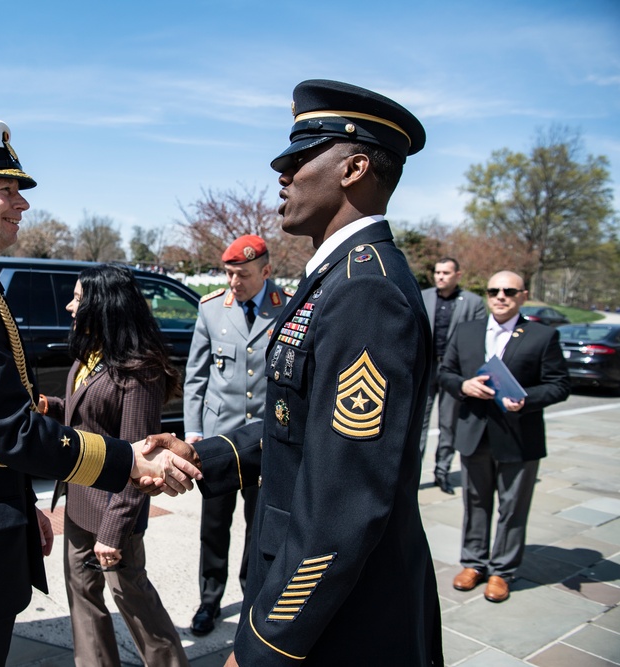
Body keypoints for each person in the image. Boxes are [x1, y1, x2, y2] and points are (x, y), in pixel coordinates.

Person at [0, 120, 200, 667]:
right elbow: (9, 432)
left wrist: (26, 509)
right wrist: (126, 459)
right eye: (5, 190)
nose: (21, 204)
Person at [144, 79, 444, 665]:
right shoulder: (334, 278)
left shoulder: (366, 292)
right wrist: (202, 453)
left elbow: (344, 502)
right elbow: (298, 423)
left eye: (300, 159)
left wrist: (264, 644)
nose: (283, 175)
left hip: (335, 622)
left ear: (354, 168)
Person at [42, 264, 189, 667]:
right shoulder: (91, 354)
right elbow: (85, 418)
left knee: (133, 600)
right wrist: (51, 407)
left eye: (78, 298)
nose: (71, 306)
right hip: (78, 501)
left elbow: (139, 461)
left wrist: (113, 531)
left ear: (104, 305)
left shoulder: (140, 370)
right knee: (82, 597)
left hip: (114, 514)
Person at [439, 271, 569, 603]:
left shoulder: (542, 336)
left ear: (523, 295)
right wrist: (463, 386)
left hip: (518, 436)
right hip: (474, 432)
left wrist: (527, 400)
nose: (500, 296)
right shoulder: (467, 331)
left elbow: (559, 385)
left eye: (509, 290)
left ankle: (502, 572)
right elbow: (446, 372)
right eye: (493, 289)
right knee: (475, 502)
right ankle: (473, 563)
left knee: (512, 508)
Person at [182, 234, 286, 636]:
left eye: (241, 274)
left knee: (260, 524)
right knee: (214, 524)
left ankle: (252, 595)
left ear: (266, 271)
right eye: (228, 273)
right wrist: (194, 432)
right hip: (220, 439)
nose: (233, 282)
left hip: (265, 441)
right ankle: (209, 599)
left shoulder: (286, 305)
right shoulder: (211, 309)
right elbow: (197, 376)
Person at [420, 257, 486, 493]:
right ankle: (412, 476)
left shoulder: (473, 302)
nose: (440, 277)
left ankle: (442, 473)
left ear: (458, 275)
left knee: (448, 425)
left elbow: (478, 340)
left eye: (446, 273)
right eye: (437, 272)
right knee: (419, 424)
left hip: (453, 373)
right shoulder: (423, 296)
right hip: (425, 370)